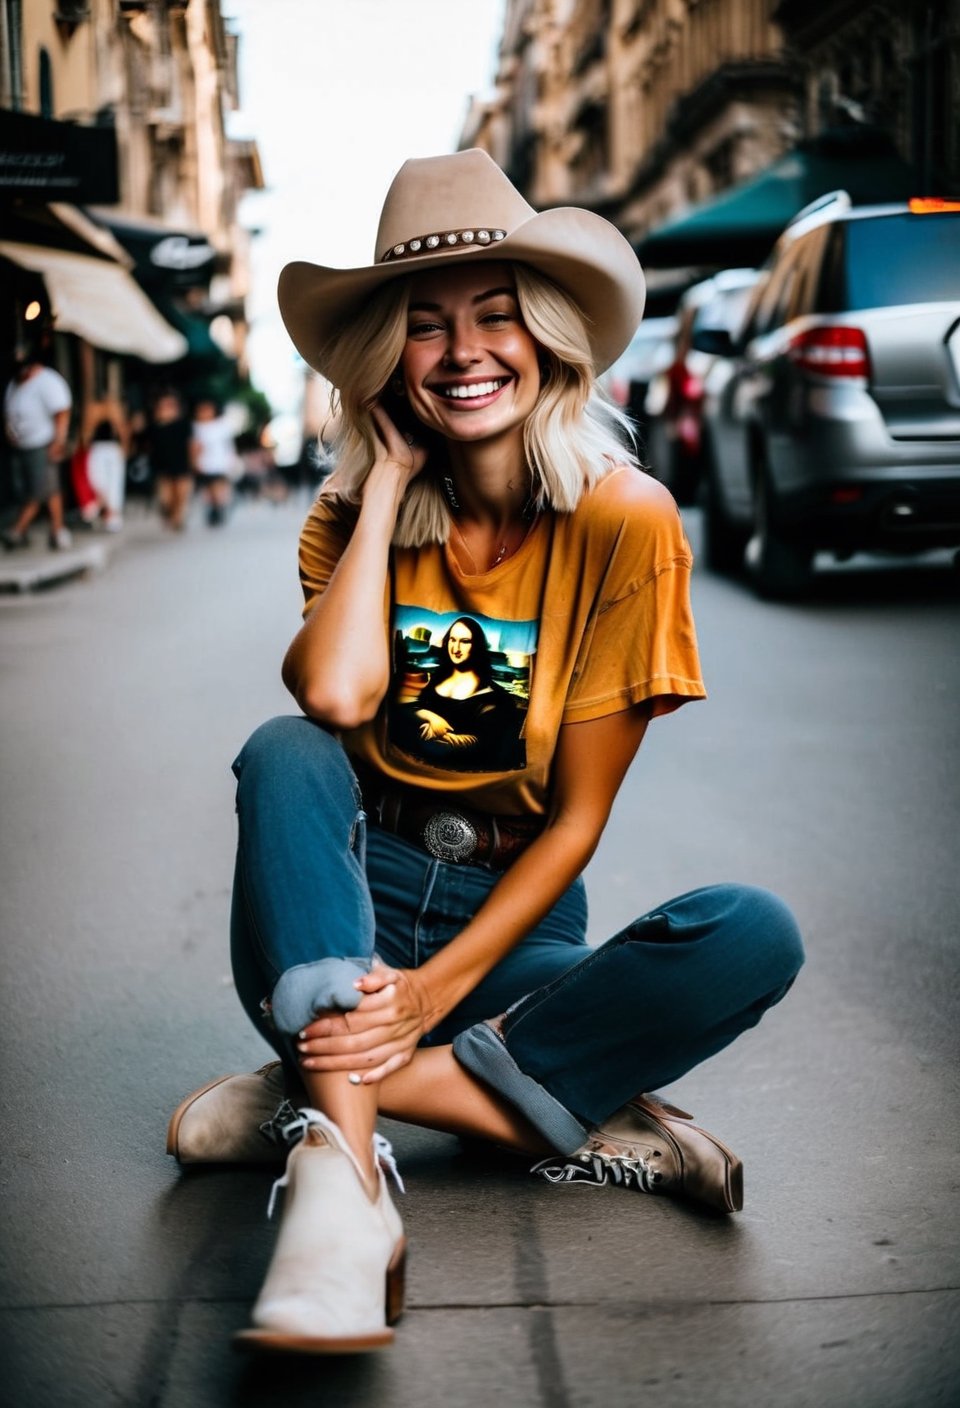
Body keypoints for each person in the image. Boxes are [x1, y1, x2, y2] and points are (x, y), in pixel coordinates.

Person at [165, 150, 805, 1355]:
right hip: (344, 903)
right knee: (285, 750)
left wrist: (433, 994)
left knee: (752, 931)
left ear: (550, 333)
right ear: (387, 364)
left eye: (497, 314)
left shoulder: (627, 519)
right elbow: (336, 693)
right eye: (425, 328)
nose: (465, 351)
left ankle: (320, 1088)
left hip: (511, 920)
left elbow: (574, 821)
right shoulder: (349, 513)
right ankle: (347, 1195)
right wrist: (392, 473)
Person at [2, 346, 73, 551]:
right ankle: (55, 531)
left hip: (43, 443)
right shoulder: (15, 383)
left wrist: (58, 441)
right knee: (45, 489)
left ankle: (19, 529)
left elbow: (61, 412)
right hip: (22, 445)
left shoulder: (47, 381)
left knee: (41, 489)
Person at [148, 390, 193, 531]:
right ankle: (169, 514)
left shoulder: (184, 425)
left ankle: (177, 519)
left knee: (181, 495)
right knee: (166, 497)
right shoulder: (154, 426)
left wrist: (194, 462)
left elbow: (191, 445)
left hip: (182, 464)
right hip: (162, 466)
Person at [190, 398, 238, 526]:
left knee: (217, 486)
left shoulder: (222, 425)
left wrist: (231, 459)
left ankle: (218, 509)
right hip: (204, 462)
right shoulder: (195, 427)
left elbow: (228, 445)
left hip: (219, 462)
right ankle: (214, 509)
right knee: (208, 489)